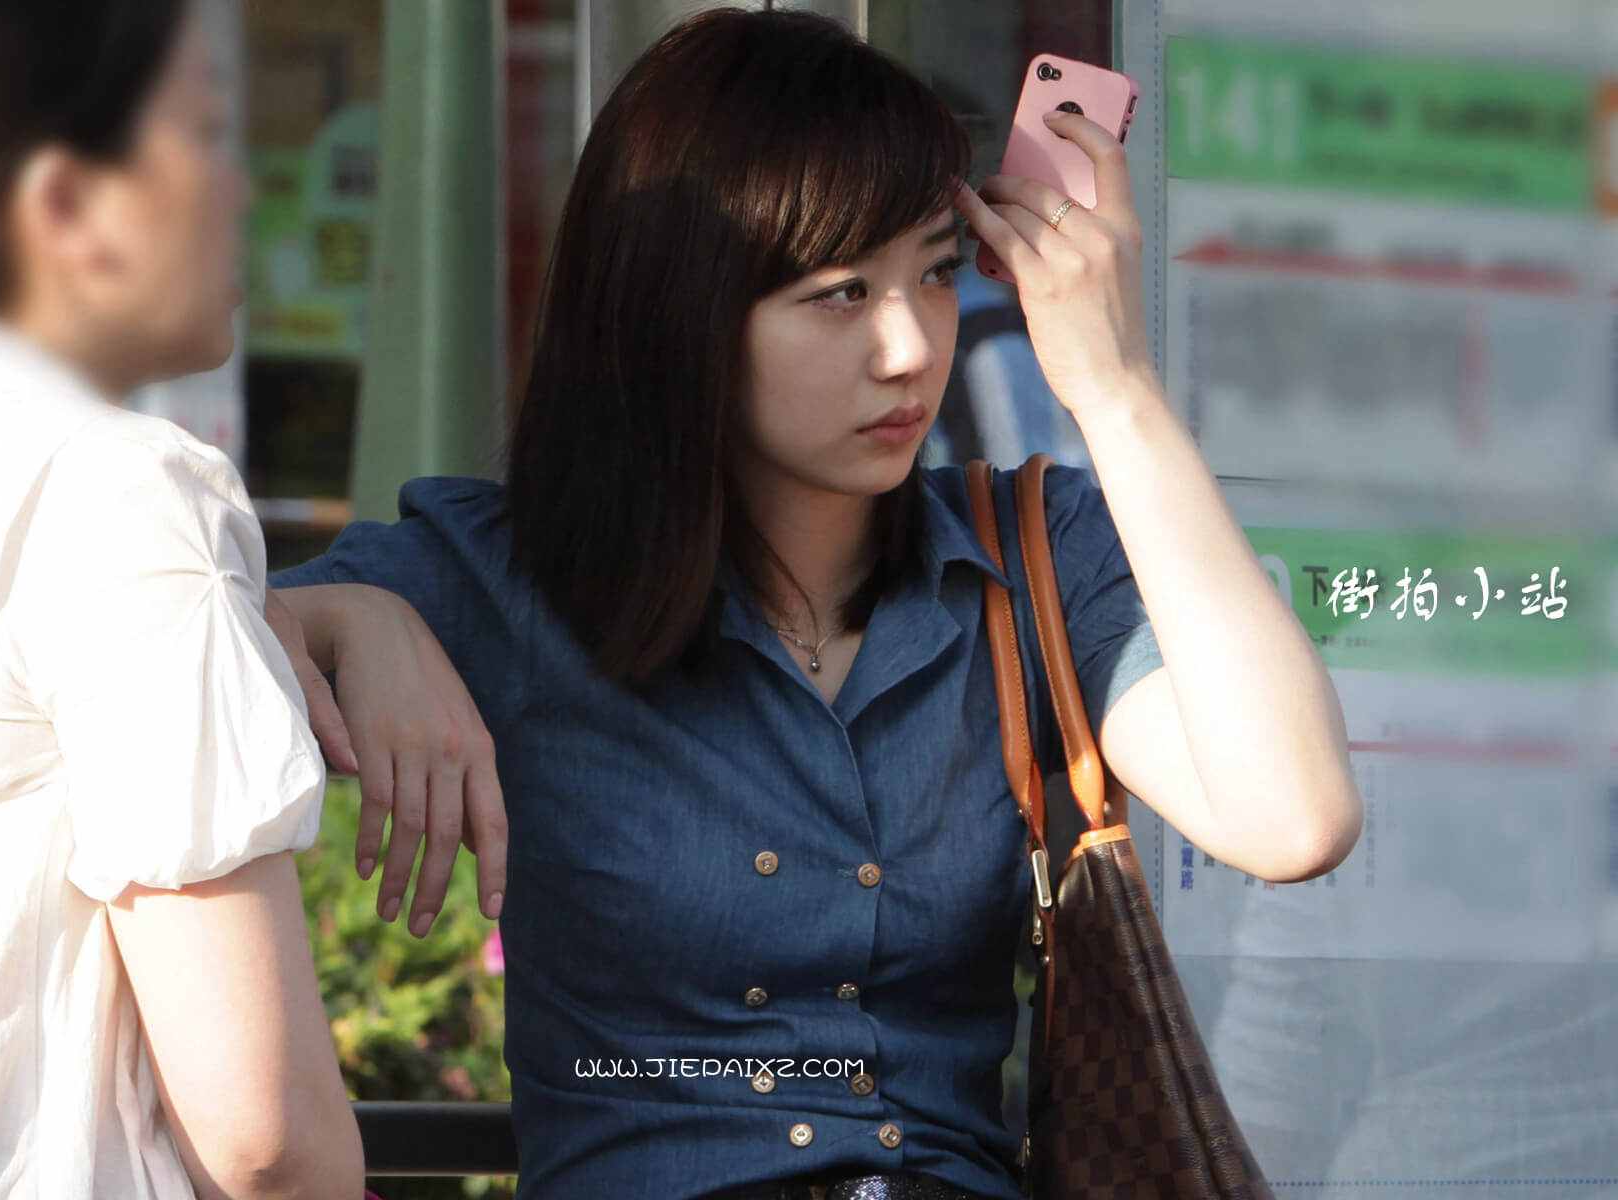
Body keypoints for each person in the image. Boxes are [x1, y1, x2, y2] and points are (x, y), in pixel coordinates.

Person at [273, 8, 1364, 1198]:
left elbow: (1291, 817)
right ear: (683, 311)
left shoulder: (1026, 554)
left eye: (935, 274)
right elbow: (157, 665)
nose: (909, 350)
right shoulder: (504, 576)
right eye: (842, 294)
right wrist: (354, 621)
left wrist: (1117, 387)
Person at [0, 1, 369, 1195]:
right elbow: (264, 1137)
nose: (243, 191)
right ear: (65, 204)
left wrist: (345, 615)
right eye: (207, 135)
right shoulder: (119, 485)